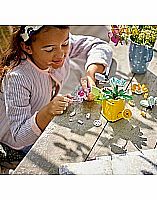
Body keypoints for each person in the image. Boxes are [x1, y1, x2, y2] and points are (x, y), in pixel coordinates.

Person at [0, 25, 113, 161]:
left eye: (65, 44)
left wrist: (91, 73)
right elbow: (19, 136)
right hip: (14, 142)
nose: (61, 54)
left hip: (41, 120)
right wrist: (47, 112)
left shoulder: (56, 41)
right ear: (27, 47)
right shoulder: (18, 77)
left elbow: (100, 46)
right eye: (49, 49)